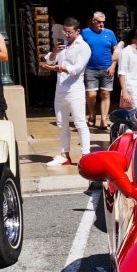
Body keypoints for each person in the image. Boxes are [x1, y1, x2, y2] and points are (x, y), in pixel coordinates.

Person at [41, 17, 91, 167]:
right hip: (60, 89)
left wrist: (57, 69)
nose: (66, 35)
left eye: (69, 32)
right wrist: (55, 52)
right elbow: (49, 61)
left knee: (79, 122)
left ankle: (86, 155)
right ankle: (64, 155)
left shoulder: (83, 47)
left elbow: (76, 69)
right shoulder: (64, 45)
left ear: (77, 31)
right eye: (65, 31)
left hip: (74, 90)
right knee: (61, 123)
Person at [81, 11, 120, 131]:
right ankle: (92, 115)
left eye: (103, 22)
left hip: (107, 68)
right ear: (93, 21)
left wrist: (113, 65)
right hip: (90, 68)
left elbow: (116, 50)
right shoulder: (85, 33)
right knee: (91, 94)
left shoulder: (110, 33)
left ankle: (103, 119)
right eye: (99, 22)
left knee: (106, 93)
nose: (101, 24)